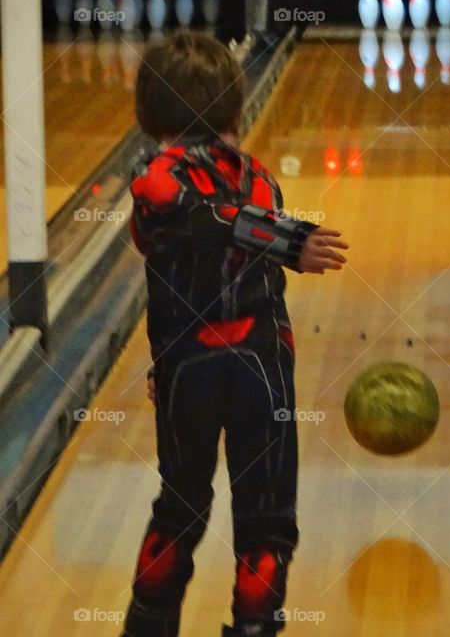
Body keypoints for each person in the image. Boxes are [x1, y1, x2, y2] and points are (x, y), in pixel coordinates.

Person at [121, 31, 348, 637]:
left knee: (182, 509)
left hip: (190, 367)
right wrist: (282, 237)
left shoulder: (154, 182)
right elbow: (199, 216)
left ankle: (147, 626)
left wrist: (281, 238)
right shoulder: (261, 184)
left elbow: (176, 217)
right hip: (261, 364)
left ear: (149, 112)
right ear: (233, 105)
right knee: (264, 525)